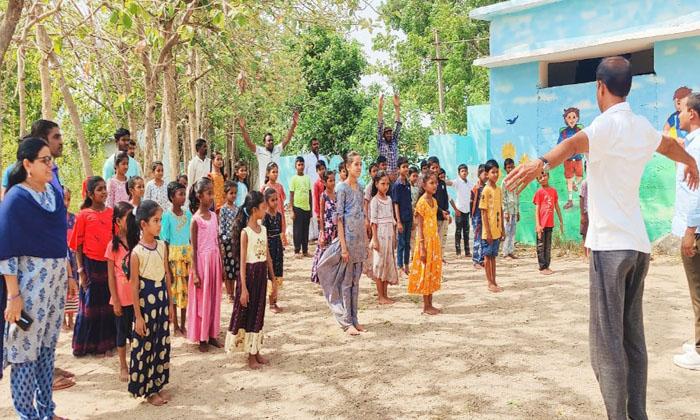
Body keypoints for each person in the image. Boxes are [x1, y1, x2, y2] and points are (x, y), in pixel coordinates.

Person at [504, 56, 699, 420]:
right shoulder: (640, 126)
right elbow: (670, 147)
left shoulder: (605, 126)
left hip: (610, 248)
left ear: (600, 87)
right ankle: (635, 414)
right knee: (632, 340)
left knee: (605, 345)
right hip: (638, 248)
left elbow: (574, 145)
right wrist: (691, 162)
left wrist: (540, 163)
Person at [0, 138, 76, 420]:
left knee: (46, 351)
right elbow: (6, 250)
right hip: (29, 289)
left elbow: (60, 242)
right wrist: (13, 296)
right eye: (44, 160)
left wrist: (69, 275)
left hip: (54, 287)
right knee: (23, 354)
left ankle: (47, 411)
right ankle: (26, 415)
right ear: (27, 164)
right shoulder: (16, 199)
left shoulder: (53, 196)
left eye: (50, 159)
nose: (50, 164)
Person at [127, 200, 173, 406]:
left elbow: (167, 276)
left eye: (160, 220)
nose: (159, 225)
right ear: (143, 224)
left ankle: (159, 383)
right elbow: (134, 285)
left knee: (161, 343)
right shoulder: (137, 253)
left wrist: (170, 304)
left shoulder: (162, 246)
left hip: (161, 302)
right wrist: (137, 316)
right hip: (146, 306)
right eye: (156, 221)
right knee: (146, 345)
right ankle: (148, 390)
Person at [317, 152, 368, 336]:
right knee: (345, 283)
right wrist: (344, 247)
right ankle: (346, 321)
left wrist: (365, 242)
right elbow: (339, 219)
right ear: (347, 167)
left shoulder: (361, 188)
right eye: (356, 164)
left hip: (359, 242)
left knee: (355, 282)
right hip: (347, 242)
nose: (359, 167)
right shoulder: (341, 189)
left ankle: (355, 319)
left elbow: (361, 214)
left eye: (361, 164)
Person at [225, 191, 277, 369]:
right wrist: (243, 289)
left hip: (262, 275)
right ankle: (250, 356)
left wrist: (273, 277)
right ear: (255, 210)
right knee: (249, 314)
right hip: (250, 276)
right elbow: (242, 263)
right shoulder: (245, 233)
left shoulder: (263, 229)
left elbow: (268, 255)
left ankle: (256, 350)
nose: (266, 209)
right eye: (263, 207)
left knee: (259, 312)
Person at [70, 176, 117, 356]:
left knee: (109, 305)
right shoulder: (83, 215)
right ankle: (88, 346)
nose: (104, 192)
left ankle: (107, 344)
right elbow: (78, 246)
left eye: (105, 188)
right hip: (91, 266)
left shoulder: (111, 213)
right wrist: (81, 272)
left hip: (109, 265)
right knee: (91, 307)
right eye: (99, 189)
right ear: (90, 194)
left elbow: (117, 240)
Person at [671, 92, 700, 370]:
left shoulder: (697, 146)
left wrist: (690, 229)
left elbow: (696, 191)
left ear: (692, 114)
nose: (678, 114)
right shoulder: (692, 143)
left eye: (681, 109)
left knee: (698, 291)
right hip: (695, 227)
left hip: (697, 230)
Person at [187, 177, 223, 352]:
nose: (212, 197)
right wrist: (195, 272)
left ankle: (212, 333)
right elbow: (193, 248)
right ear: (200, 196)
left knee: (214, 298)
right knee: (202, 300)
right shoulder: (195, 220)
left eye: (212, 193)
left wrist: (221, 263)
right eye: (209, 194)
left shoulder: (215, 216)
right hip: (202, 264)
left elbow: (217, 241)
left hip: (214, 262)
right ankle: (201, 337)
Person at [105, 201, 135, 382]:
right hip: (121, 299)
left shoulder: (136, 243)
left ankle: (136, 362)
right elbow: (110, 276)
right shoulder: (112, 246)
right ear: (118, 222)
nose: (132, 221)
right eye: (128, 218)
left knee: (136, 333)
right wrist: (115, 300)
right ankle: (123, 366)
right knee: (121, 333)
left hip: (135, 298)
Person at [407, 170, 442, 314]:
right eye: (431, 183)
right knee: (425, 272)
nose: (434, 186)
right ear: (424, 185)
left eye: (436, 183)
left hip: (434, 241)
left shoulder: (434, 201)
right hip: (425, 242)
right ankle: (426, 305)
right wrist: (421, 246)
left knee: (432, 271)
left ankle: (431, 303)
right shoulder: (421, 202)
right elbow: (420, 226)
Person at [160, 181, 192, 337]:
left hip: (187, 256)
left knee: (185, 291)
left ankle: (184, 324)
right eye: (180, 194)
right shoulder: (166, 216)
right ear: (172, 197)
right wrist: (166, 267)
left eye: (184, 194)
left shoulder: (188, 215)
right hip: (173, 257)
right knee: (174, 291)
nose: (183, 197)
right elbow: (164, 241)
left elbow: (192, 236)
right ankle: (176, 325)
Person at [239, 111, 299, 189]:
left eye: (272, 140)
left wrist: (294, 124)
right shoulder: (259, 151)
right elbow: (248, 142)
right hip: (265, 188)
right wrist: (242, 128)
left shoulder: (277, 149)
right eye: (269, 140)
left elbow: (287, 139)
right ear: (264, 142)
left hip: (277, 187)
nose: (271, 142)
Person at [370, 170, 398, 304]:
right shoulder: (374, 201)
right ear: (376, 184)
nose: (385, 186)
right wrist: (375, 240)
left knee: (387, 264)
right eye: (382, 184)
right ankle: (380, 295)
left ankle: (385, 294)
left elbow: (392, 219)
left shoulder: (389, 199)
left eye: (387, 184)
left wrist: (395, 237)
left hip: (389, 236)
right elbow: (373, 222)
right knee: (379, 265)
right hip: (380, 236)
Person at [479, 160, 505, 293]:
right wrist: (487, 232)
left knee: (493, 256)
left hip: (497, 230)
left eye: (496, 172)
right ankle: (489, 282)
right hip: (488, 231)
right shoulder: (486, 190)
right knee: (487, 257)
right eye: (492, 172)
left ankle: (494, 280)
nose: (495, 175)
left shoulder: (499, 190)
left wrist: (503, 229)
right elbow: (483, 212)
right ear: (487, 174)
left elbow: (500, 209)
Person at [533, 172, 563, 275]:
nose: (543, 178)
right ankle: (542, 267)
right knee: (541, 246)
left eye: (544, 175)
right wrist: (538, 224)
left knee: (548, 246)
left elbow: (556, 206)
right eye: (540, 177)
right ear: (537, 180)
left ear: (549, 176)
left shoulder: (553, 191)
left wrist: (561, 220)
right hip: (541, 225)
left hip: (550, 224)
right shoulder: (539, 192)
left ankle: (547, 265)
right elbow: (537, 209)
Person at [311, 171, 337, 284]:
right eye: (330, 181)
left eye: (334, 180)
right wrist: (322, 231)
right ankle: (320, 277)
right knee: (323, 253)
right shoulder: (323, 196)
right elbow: (321, 215)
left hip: (335, 229)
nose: (333, 183)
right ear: (325, 182)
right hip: (327, 229)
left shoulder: (337, 194)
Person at [262, 187, 285, 313]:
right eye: (272, 200)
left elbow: (280, 232)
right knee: (270, 275)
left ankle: (275, 301)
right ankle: (271, 303)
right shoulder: (265, 217)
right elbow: (264, 235)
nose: (275, 202)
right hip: (270, 247)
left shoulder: (279, 215)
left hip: (278, 246)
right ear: (266, 202)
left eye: (277, 199)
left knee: (277, 273)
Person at [558, 108, 585, 209]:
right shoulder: (563, 133)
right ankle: (570, 201)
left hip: (578, 159)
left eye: (574, 117)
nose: (572, 119)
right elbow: (559, 145)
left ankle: (575, 183)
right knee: (568, 179)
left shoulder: (580, 131)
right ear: (565, 119)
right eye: (569, 117)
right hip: (568, 160)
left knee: (580, 178)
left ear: (577, 118)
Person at [428, 157, 451, 264]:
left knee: (441, 238)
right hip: (434, 216)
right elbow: (433, 201)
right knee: (433, 239)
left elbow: (445, 198)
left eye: (437, 167)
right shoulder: (429, 184)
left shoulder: (441, 183)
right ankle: (433, 258)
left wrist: (447, 211)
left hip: (443, 215)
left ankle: (440, 257)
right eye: (433, 168)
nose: (435, 170)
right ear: (429, 169)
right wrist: (440, 211)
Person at [392, 157, 413, 276]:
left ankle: (406, 266)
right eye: (403, 167)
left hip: (409, 217)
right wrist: (398, 221)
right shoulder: (397, 185)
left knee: (407, 243)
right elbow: (396, 203)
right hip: (401, 218)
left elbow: (409, 202)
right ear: (398, 169)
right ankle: (399, 267)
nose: (406, 169)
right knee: (401, 243)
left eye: (407, 166)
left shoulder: (408, 184)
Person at [219, 181, 239, 303]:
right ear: (225, 194)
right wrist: (226, 240)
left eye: (235, 193)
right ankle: (229, 293)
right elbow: (222, 227)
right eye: (231, 193)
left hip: (236, 243)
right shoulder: (223, 209)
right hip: (227, 244)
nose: (233, 195)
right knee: (228, 268)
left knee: (236, 268)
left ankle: (235, 292)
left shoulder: (238, 209)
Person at [305, 139, 328, 242]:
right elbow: (305, 174)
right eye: (314, 144)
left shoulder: (323, 158)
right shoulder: (307, 158)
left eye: (317, 144)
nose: (316, 146)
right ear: (311, 146)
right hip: (313, 187)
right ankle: (314, 234)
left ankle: (323, 232)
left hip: (323, 185)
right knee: (315, 209)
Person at [448, 164, 473, 259]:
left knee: (466, 232)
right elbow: (450, 183)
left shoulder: (469, 184)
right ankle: (458, 252)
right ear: (459, 173)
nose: (464, 173)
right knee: (458, 231)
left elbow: (475, 188)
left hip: (467, 210)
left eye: (465, 171)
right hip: (459, 210)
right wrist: (442, 182)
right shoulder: (457, 182)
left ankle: (467, 251)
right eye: (462, 171)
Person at [289, 156, 312, 258]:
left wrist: (310, 209)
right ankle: (297, 250)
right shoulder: (294, 179)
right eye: (299, 165)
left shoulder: (307, 178)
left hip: (306, 208)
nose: (301, 166)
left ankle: (305, 250)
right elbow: (291, 195)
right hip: (297, 207)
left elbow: (310, 194)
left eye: (302, 164)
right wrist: (291, 210)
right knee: (297, 230)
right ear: (295, 166)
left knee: (305, 230)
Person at [64, 187, 79, 332]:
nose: (66, 203)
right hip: (61, 258)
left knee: (73, 287)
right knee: (62, 288)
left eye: (68, 199)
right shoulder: (54, 220)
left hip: (73, 257)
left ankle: (70, 318)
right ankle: (62, 319)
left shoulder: (74, 218)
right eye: (64, 199)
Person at [377, 93, 402, 181]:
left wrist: (397, 107)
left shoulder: (394, 141)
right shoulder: (381, 144)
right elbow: (380, 125)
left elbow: (397, 125)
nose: (389, 135)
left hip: (396, 178)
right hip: (385, 180)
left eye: (390, 133)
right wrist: (380, 108)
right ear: (384, 135)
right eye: (387, 133)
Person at [501, 159, 519, 259]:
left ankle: (511, 251)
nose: (511, 169)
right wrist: (506, 211)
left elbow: (517, 195)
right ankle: (505, 252)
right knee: (507, 232)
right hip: (508, 211)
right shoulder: (504, 182)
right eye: (508, 167)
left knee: (513, 231)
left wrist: (518, 211)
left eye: (512, 167)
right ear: (505, 169)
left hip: (514, 210)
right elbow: (503, 197)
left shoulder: (516, 180)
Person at [471, 165, 487, 269]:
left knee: (484, 238)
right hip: (477, 216)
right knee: (477, 238)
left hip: (485, 217)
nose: (486, 176)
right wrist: (472, 216)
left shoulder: (487, 188)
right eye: (484, 174)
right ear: (478, 175)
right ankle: (475, 260)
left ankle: (482, 259)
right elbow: (472, 203)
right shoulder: (475, 189)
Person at [312, 160, 327, 236]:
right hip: (321, 211)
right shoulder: (316, 184)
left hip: (329, 210)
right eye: (319, 170)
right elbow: (315, 199)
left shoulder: (329, 181)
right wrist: (318, 215)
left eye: (323, 168)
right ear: (317, 171)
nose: (322, 171)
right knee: (322, 232)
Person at [409, 166, 420, 253]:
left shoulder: (417, 188)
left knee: (414, 234)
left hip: (415, 213)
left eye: (417, 176)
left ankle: (414, 253)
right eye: (414, 176)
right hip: (408, 213)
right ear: (409, 176)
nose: (415, 178)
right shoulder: (407, 187)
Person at [579, 168, 590, 263]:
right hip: (587, 211)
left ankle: (590, 254)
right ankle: (585, 255)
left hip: (595, 213)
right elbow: (581, 198)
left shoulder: (597, 183)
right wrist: (582, 214)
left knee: (592, 234)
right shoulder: (584, 183)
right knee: (585, 234)